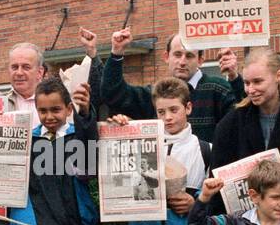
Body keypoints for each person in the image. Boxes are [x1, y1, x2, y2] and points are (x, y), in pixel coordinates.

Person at [109, 77, 212, 225]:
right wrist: (120, 133)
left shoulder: (206, 150)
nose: (168, 118)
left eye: (174, 110)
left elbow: (218, 204)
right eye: (161, 112)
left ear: (188, 108)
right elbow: (119, 185)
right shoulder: (140, 143)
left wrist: (195, 205)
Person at [101, 29, 241, 143]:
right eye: (177, 54)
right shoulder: (155, 94)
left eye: (189, 56)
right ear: (166, 57)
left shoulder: (219, 90)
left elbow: (244, 119)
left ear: (200, 60)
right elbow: (113, 94)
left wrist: (235, 78)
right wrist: (116, 53)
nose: (182, 62)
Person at [9, 78, 98, 225]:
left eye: (56, 110)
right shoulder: (28, 141)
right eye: (43, 111)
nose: (49, 116)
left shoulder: (77, 136)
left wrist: (84, 112)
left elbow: (89, 164)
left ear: (69, 109)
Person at [210, 47, 280, 169]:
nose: (250, 90)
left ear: (278, 76)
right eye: (246, 83)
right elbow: (217, 175)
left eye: (257, 82)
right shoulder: (230, 124)